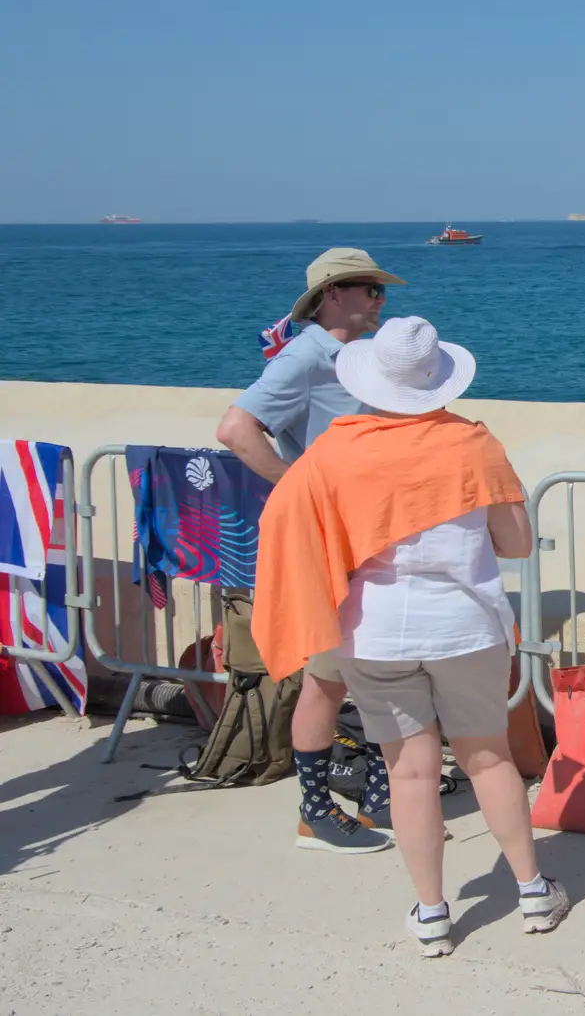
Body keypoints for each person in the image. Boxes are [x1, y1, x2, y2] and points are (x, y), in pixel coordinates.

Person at [252, 315, 569, 957]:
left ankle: (432, 915)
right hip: (467, 627)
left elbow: (293, 525)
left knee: (410, 775)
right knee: (488, 759)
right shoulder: (476, 445)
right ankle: (533, 892)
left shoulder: (338, 449)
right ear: (438, 380)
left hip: (373, 634)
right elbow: (515, 542)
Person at [216, 247, 401, 854]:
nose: (380, 299)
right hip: (326, 540)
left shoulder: (357, 357)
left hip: (363, 533)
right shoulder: (305, 355)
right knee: (327, 678)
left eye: (380, 290)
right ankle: (314, 812)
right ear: (332, 296)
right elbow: (236, 427)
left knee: (370, 669)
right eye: (369, 289)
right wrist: (298, 489)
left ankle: (378, 794)